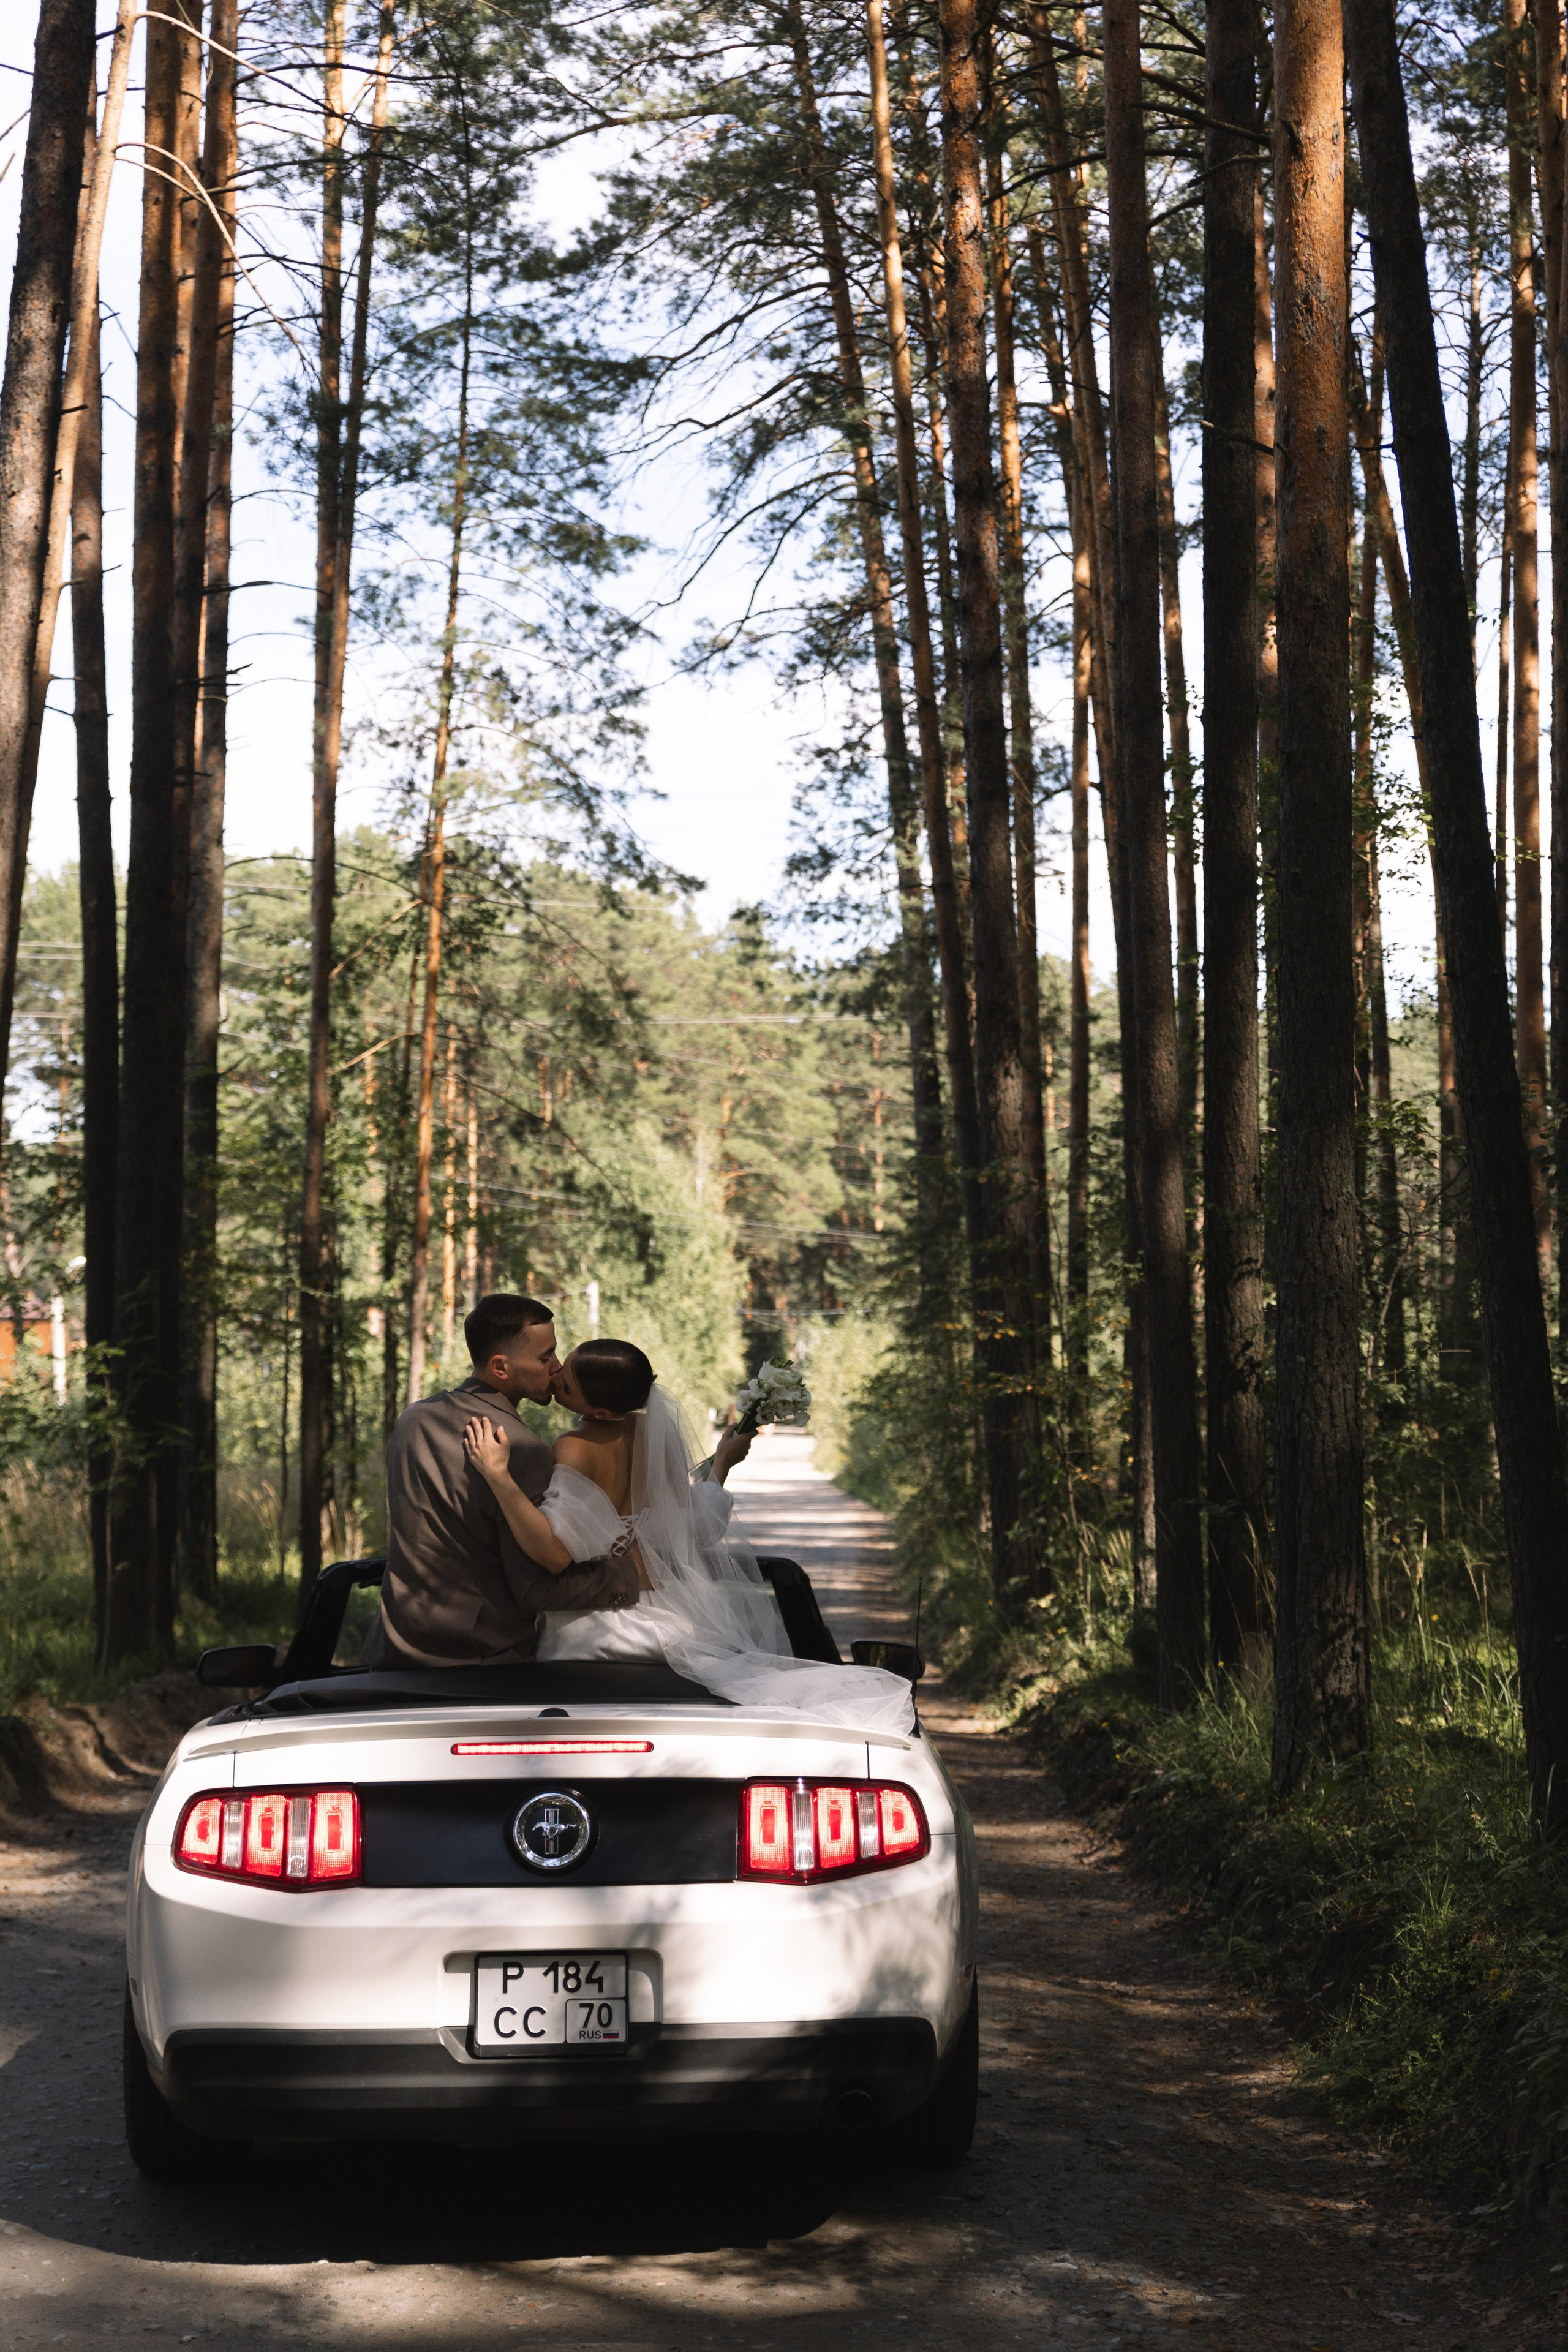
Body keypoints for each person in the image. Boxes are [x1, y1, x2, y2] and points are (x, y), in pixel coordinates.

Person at [463, 1336, 916, 1733]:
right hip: (666, 1612)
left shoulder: (573, 1446)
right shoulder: (651, 1435)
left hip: (592, 1624)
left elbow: (556, 1551)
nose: (556, 1372)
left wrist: (498, 1476)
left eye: (566, 1383)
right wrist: (722, 1463)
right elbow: (697, 1525)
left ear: (599, 1410)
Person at [362, 1296, 674, 1669]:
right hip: (483, 1662)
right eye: (545, 1358)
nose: (557, 1368)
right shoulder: (521, 1449)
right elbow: (536, 1589)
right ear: (501, 1367)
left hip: (395, 1654)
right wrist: (631, 1573)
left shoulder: (414, 1420)